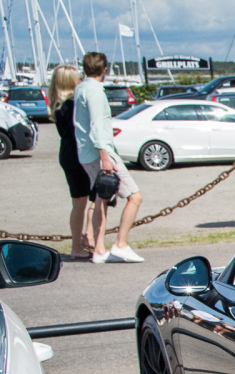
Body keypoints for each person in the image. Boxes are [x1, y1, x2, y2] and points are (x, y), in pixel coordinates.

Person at [73, 51, 144, 263]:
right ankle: (120, 244)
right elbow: (97, 126)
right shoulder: (94, 92)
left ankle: (100, 249)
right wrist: (105, 157)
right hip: (101, 152)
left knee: (101, 199)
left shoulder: (80, 88)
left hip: (86, 152)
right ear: (104, 70)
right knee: (134, 196)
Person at [48, 64, 92, 259]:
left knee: (80, 201)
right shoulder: (72, 104)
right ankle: (79, 244)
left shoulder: (58, 104)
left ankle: (81, 241)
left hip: (67, 152)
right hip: (77, 153)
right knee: (84, 201)